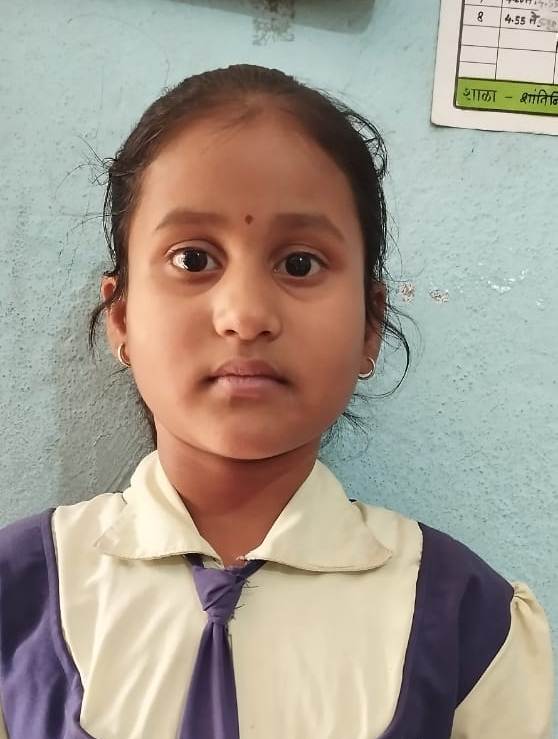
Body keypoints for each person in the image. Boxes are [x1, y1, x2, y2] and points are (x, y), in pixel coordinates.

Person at [0, 64, 553, 739]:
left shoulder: (473, 625)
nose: (245, 315)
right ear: (121, 318)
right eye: (192, 259)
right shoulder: (15, 597)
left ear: (370, 325)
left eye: (299, 264)